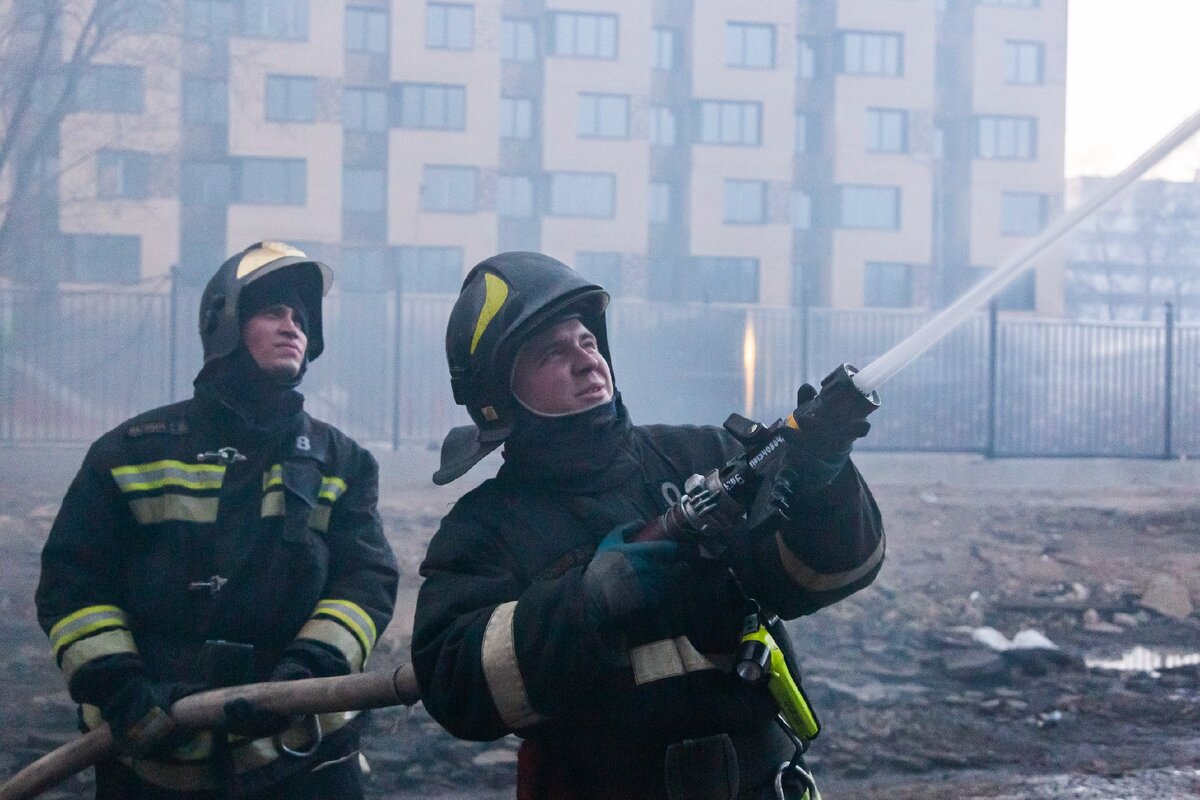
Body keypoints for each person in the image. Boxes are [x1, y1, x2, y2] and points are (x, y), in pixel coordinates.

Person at [411, 251, 885, 800]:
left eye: (588, 341)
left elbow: (825, 578)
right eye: (552, 353)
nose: (587, 360)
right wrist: (589, 601)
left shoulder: (702, 454)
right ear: (499, 393)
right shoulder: (483, 531)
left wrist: (820, 484)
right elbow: (457, 688)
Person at [36, 241, 399, 799]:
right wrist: (122, 689)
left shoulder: (341, 461)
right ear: (223, 321)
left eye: (301, 318)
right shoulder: (129, 453)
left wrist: (308, 674)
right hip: (153, 762)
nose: (292, 327)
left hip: (305, 760)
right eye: (273, 311)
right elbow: (73, 585)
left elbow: (365, 584)